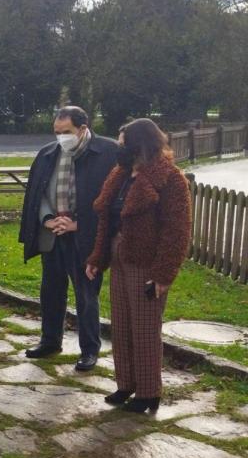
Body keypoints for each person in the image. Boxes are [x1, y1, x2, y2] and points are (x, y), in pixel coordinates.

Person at [85, 118, 191, 413]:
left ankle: (148, 392)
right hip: (120, 258)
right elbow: (107, 219)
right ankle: (126, 384)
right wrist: (97, 257)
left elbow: (177, 231)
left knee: (144, 328)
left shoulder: (170, 178)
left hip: (148, 262)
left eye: (123, 143)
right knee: (122, 325)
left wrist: (163, 275)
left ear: (140, 144)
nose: (119, 148)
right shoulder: (120, 174)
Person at [20, 106, 118, 371]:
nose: (61, 137)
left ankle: (89, 350)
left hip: (84, 237)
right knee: (51, 291)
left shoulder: (107, 153)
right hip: (53, 234)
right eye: (57, 132)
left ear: (83, 129)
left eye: (67, 132)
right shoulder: (48, 154)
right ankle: (50, 340)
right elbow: (36, 193)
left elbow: (111, 200)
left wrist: (78, 223)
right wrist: (47, 218)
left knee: (86, 295)